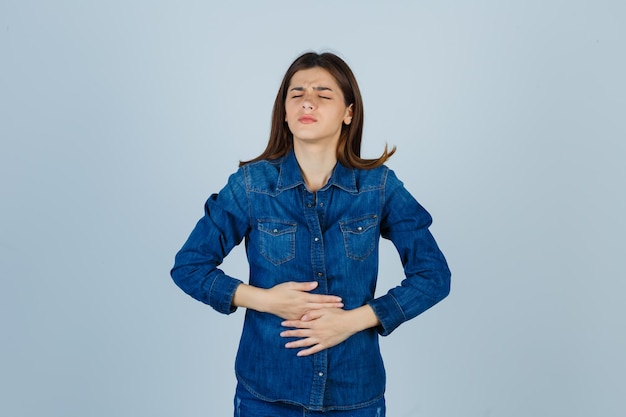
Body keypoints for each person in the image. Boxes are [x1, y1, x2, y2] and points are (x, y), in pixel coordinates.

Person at [171, 51, 451, 417]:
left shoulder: (380, 187)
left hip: (355, 395)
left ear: (349, 112)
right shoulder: (251, 186)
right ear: (285, 111)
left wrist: (353, 321)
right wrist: (266, 300)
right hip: (266, 395)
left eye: (324, 94)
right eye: (297, 93)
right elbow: (189, 267)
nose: (308, 101)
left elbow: (433, 276)